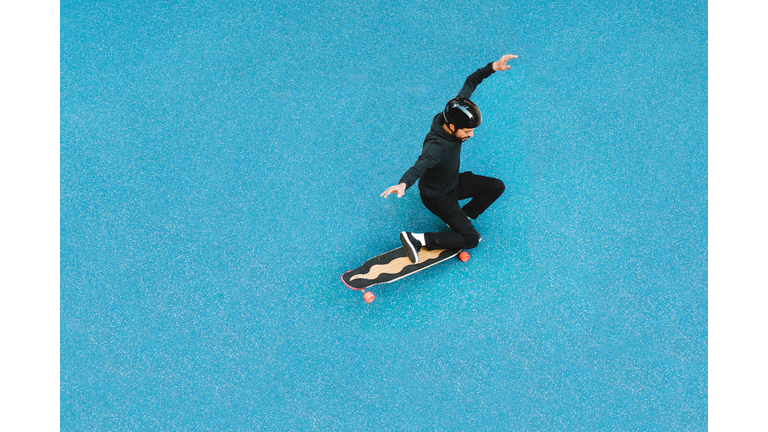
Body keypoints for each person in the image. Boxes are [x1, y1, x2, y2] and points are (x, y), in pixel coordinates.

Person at [381, 54, 518, 264]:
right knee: (472, 239)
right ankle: (417, 239)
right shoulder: (436, 147)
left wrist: (493, 67)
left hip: (452, 182)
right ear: (452, 127)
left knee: (496, 186)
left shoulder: (452, 112)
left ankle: (463, 217)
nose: (471, 135)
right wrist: (403, 184)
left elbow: (470, 82)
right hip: (437, 197)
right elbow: (420, 165)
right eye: (468, 131)